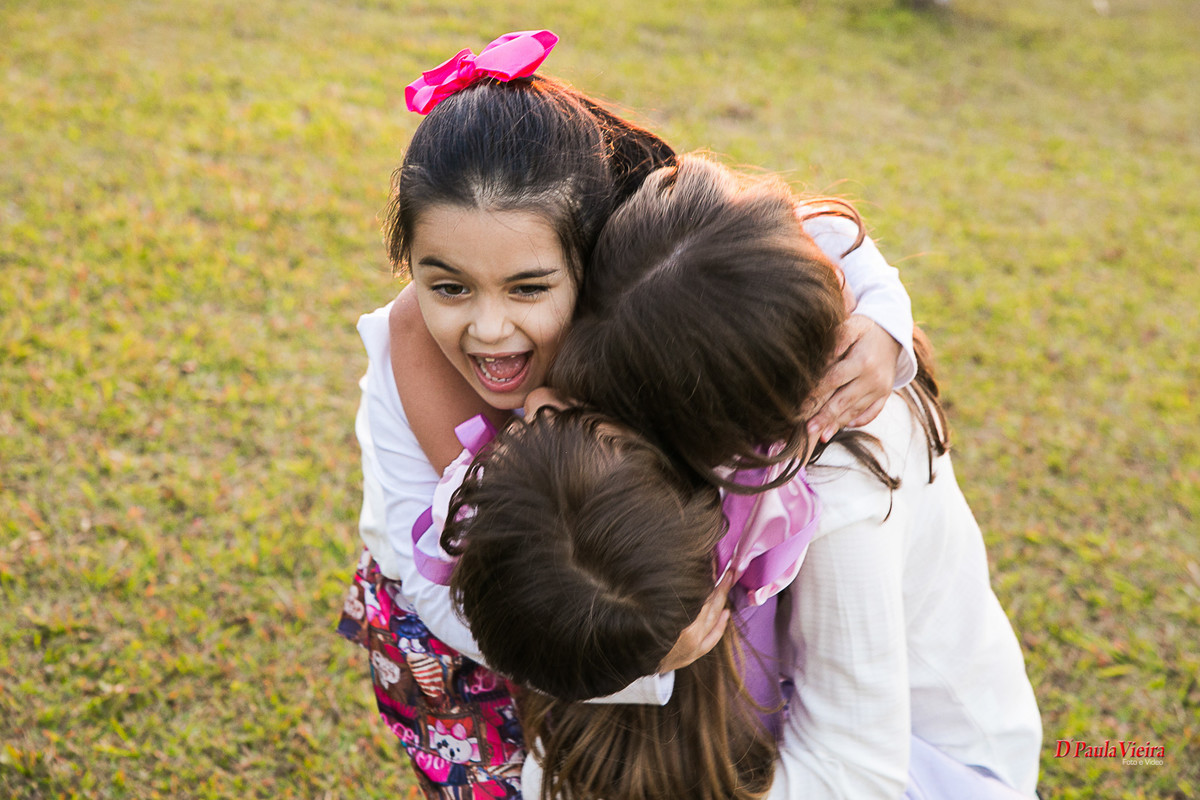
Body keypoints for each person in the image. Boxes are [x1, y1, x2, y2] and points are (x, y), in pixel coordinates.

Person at [337, 31, 919, 799]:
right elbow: (427, 582)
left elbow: (797, 233)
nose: (487, 329)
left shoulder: (640, 310)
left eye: (528, 289)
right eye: (448, 288)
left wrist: (883, 321)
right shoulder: (402, 359)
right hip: (477, 646)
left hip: (615, 604)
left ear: (597, 256)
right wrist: (639, 668)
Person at [443, 156, 1042, 799]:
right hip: (765, 713)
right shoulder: (650, 336)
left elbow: (857, 772)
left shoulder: (840, 466)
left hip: (934, 768)